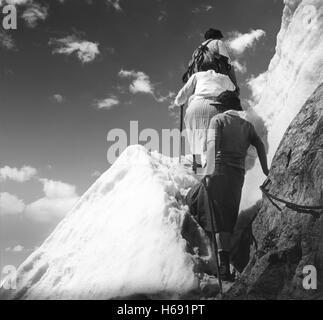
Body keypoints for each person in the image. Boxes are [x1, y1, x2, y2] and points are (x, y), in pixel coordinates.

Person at [203, 91, 269, 281]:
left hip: (219, 172)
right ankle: (226, 267)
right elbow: (260, 145)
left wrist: (208, 172)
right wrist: (265, 169)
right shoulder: (247, 125)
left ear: (223, 106)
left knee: (218, 219)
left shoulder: (218, 120)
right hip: (237, 174)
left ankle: (223, 268)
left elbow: (212, 146)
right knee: (229, 217)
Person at [174, 63, 236, 168]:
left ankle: (204, 171)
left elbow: (181, 97)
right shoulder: (224, 77)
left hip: (194, 108)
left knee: (199, 145)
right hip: (217, 107)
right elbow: (233, 89)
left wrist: (178, 102)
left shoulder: (197, 75)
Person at [184, 28, 239, 94]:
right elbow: (228, 64)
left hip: (200, 85)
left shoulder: (196, 51)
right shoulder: (217, 42)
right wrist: (235, 86)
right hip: (216, 82)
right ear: (217, 36)